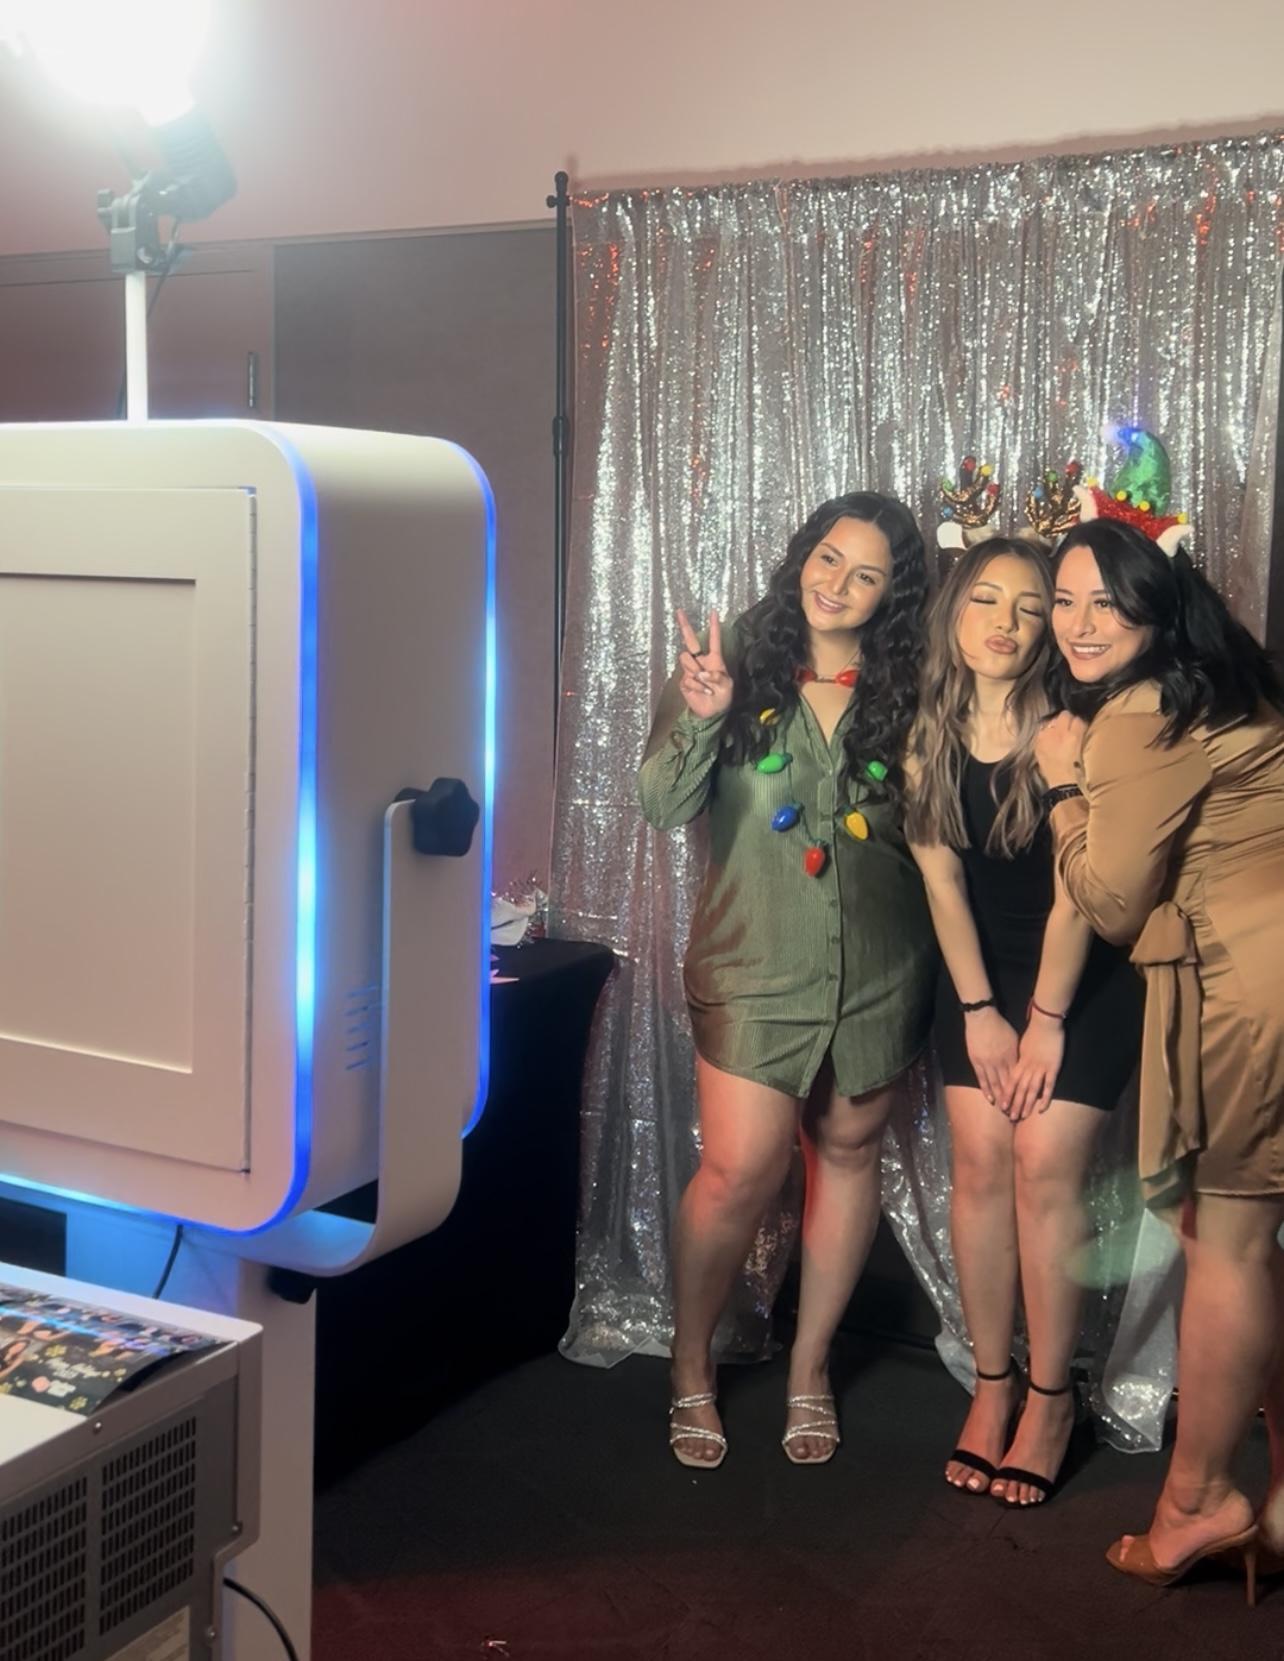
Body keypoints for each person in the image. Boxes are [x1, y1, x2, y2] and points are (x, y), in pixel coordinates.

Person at [639, 491, 936, 1468]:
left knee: (847, 1152)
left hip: (881, 969)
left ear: (892, 596)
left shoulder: (912, 690)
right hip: (754, 964)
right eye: (828, 557)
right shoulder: (728, 661)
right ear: (802, 553)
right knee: (739, 1170)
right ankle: (691, 1363)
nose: (838, 583)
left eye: (867, 573)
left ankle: (811, 1365)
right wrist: (702, 715)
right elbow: (661, 803)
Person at [1035, 517, 1284, 1600]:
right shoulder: (1223, 685)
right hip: (1263, 969)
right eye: (1065, 600)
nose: (1079, 624)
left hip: (1244, 991)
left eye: (1107, 600)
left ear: (1157, 603)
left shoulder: (1137, 716)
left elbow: (1112, 900)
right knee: (1250, 1242)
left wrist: (1061, 785)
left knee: (1226, 1242)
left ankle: (1199, 1501)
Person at [906, 536, 1143, 1506]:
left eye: (1030, 605)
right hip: (980, 977)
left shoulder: (1076, 731)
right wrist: (977, 1011)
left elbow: (1078, 896)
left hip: (1085, 977)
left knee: (1043, 1164)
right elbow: (942, 883)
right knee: (978, 1162)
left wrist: (1042, 1021)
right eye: (985, 600)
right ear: (954, 613)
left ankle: (1051, 1398)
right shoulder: (926, 733)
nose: (1005, 623)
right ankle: (992, 1382)